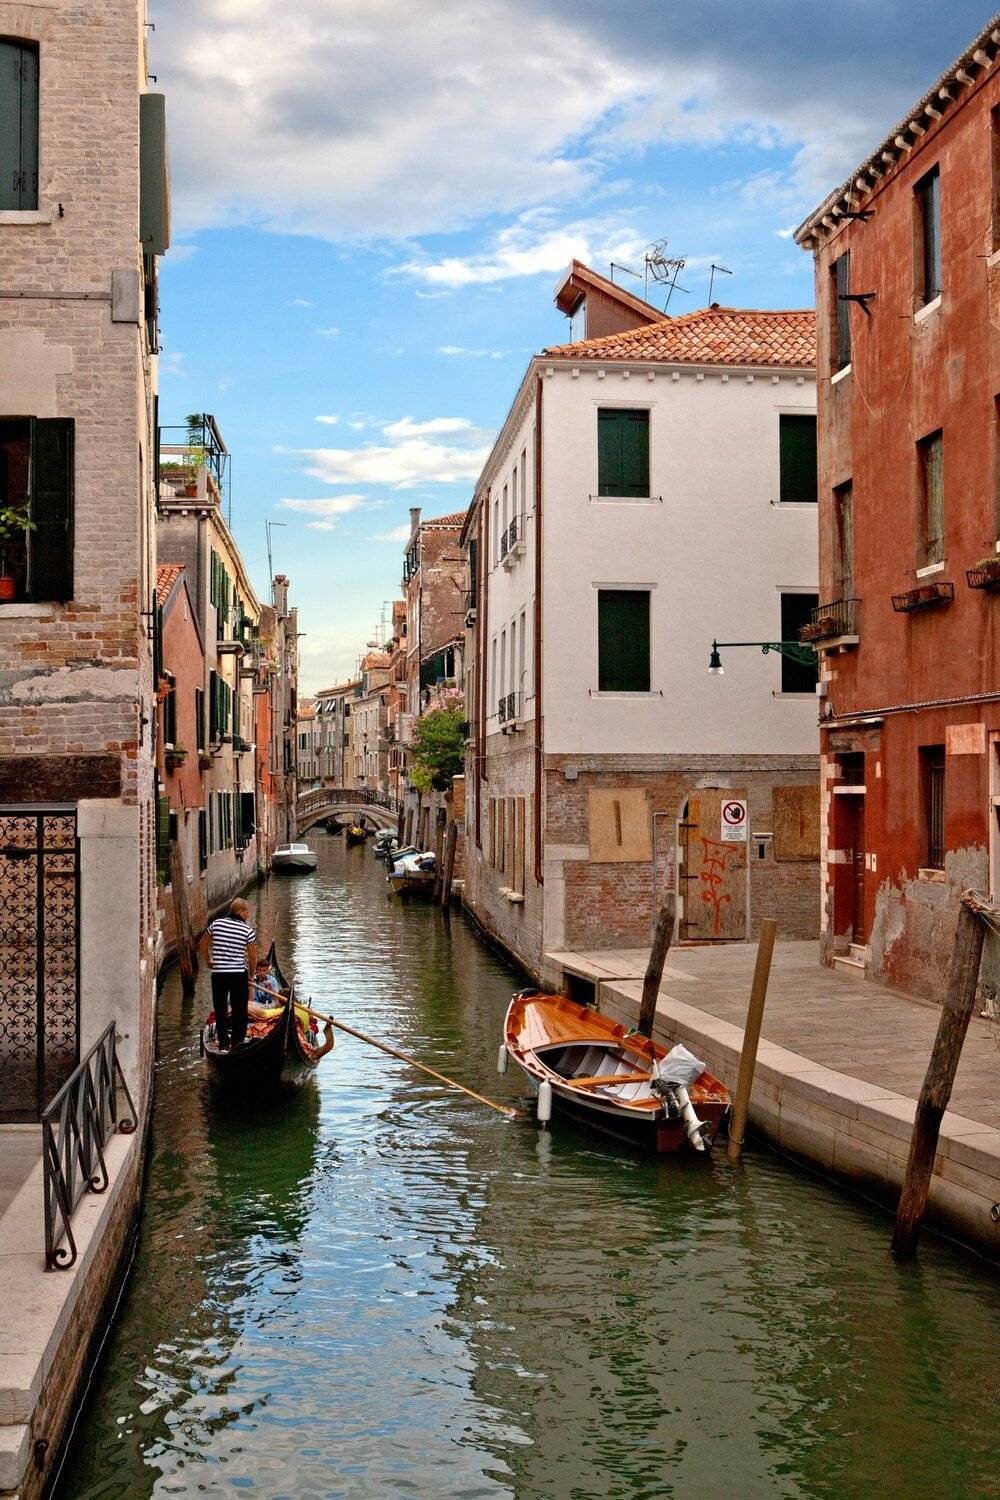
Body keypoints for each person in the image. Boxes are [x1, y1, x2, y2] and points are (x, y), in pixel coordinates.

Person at [199, 899, 257, 1050]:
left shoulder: (216, 924)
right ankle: (237, 1042)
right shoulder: (247, 931)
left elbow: (203, 943)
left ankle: (224, 1042)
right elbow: (252, 957)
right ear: (240, 911)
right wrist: (251, 976)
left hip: (219, 974)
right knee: (239, 1008)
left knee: (220, 1007)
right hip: (238, 974)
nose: (248, 914)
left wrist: (208, 960)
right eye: (247, 911)